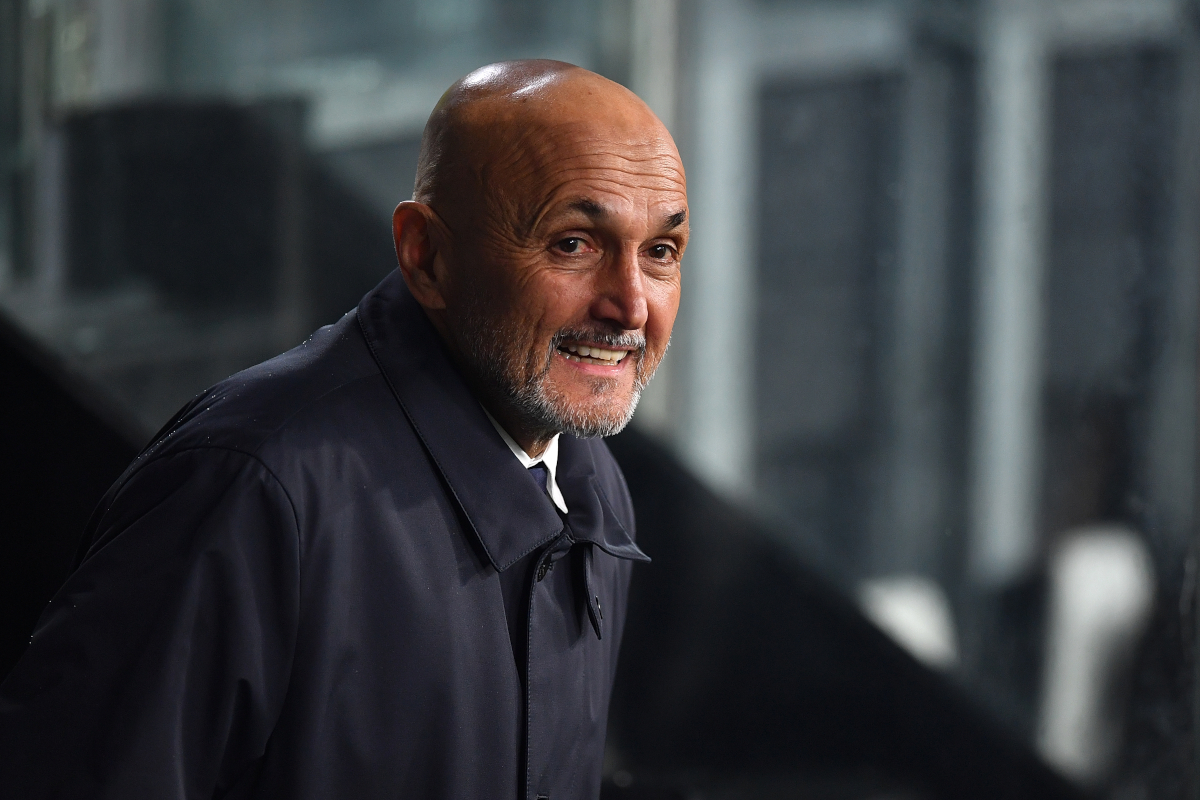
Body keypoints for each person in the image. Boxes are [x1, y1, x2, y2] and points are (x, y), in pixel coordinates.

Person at [0, 60, 688, 800]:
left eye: (660, 252)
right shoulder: (252, 490)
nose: (631, 305)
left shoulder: (587, 482)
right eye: (573, 244)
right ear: (426, 255)